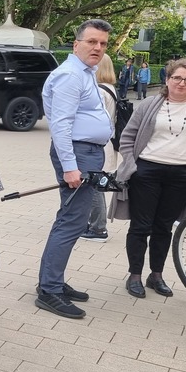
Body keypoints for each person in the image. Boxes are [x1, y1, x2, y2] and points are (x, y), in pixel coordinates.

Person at [111, 59, 186, 298]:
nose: (181, 83)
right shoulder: (150, 104)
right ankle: (135, 275)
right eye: (177, 78)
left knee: (164, 227)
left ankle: (156, 275)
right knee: (140, 226)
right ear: (168, 79)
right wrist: (131, 166)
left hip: (182, 175)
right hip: (147, 172)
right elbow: (127, 137)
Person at [35, 19, 115, 319]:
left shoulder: (84, 73)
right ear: (76, 43)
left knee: (70, 219)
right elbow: (61, 125)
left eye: (103, 44)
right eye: (92, 42)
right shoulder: (71, 75)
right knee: (71, 222)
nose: (98, 48)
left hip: (86, 153)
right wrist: (70, 167)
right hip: (78, 155)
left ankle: (52, 281)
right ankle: (49, 290)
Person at [81, 54, 120, 242]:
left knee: (95, 186)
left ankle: (98, 228)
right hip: (108, 143)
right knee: (96, 184)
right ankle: (94, 224)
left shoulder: (99, 91)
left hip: (98, 144)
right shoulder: (111, 89)